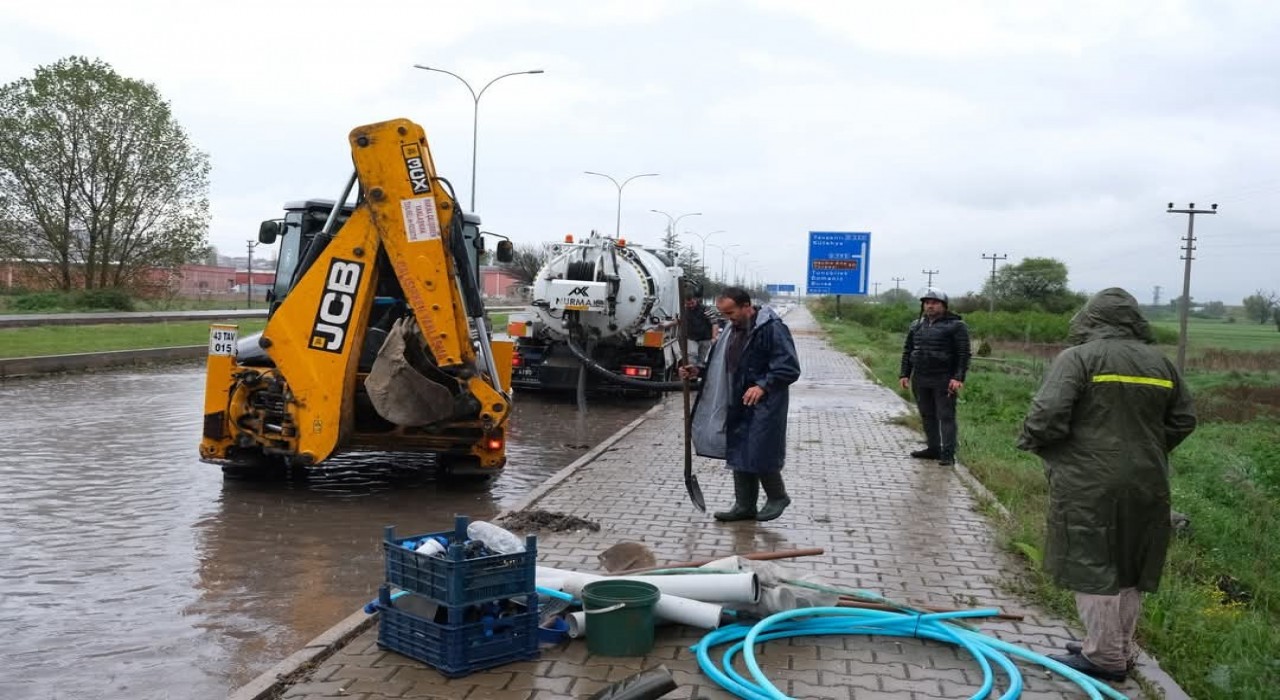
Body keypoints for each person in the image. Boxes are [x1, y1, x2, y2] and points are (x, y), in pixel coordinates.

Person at [1017, 287, 1196, 682]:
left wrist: (1043, 445)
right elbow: (1184, 420)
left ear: (1091, 319)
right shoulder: (1160, 363)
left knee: (1092, 563)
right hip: (1148, 480)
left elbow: (1046, 417)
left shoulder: (1079, 358)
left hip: (1089, 481)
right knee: (1130, 563)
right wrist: (1145, 448)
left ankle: (1103, 657)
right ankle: (1119, 648)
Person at [680, 287, 801, 522]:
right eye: (723, 314)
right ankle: (744, 505)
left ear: (747, 306)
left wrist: (763, 385)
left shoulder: (771, 328)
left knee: (759, 449)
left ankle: (778, 496)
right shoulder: (731, 331)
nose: (728, 318)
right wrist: (698, 370)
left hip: (764, 402)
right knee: (738, 450)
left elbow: (789, 367)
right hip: (736, 399)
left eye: (731, 312)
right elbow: (721, 364)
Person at [898, 287, 970, 466]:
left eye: (935, 303)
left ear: (944, 305)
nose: (930, 306)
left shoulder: (956, 326)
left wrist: (958, 377)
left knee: (945, 416)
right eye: (927, 303)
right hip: (921, 377)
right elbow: (908, 351)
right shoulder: (916, 325)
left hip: (943, 378)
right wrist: (904, 374)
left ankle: (947, 453)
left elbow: (963, 353)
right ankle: (933, 448)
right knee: (927, 415)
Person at [682, 292, 715, 364]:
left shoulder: (705, 309)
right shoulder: (684, 310)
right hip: (692, 338)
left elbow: (714, 322)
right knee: (691, 357)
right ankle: (691, 373)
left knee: (702, 360)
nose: (690, 306)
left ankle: (700, 373)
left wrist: (714, 337)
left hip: (705, 339)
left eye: (692, 303)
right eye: (688, 304)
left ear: (696, 300)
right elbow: (678, 320)